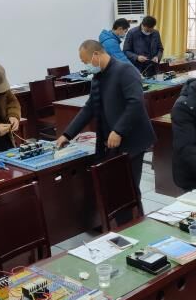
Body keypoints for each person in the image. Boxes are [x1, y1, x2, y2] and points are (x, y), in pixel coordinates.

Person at [56, 40, 155, 191]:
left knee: (130, 189)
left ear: (96, 54)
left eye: (86, 62)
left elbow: (136, 104)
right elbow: (89, 107)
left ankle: (135, 207)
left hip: (132, 139)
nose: (86, 66)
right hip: (111, 141)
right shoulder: (98, 76)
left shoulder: (125, 70)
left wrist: (119, 131)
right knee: (115, 188)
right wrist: (67, 134)